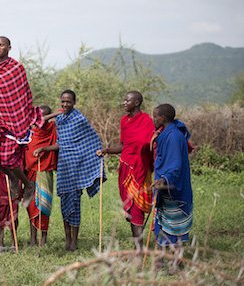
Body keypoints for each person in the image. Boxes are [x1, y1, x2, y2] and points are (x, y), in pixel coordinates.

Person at [34, 90, 106, 251]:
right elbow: (46, 129)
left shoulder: (79, 119)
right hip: (64, 166)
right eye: (63, 101)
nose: (65, 104)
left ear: (74, 102)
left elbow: (93, 140)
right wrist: (44, 148)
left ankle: (74, 240)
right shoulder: (59, 119)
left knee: (75, 202)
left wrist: (97, 154)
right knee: (64, 201)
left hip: (77, 166)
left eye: (68, 102)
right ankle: (67, 239)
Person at [0, 36, 44, 206]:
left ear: (9, 47)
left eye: (1, 45)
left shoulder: (16, 68)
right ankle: (15, 181)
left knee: (9, 158)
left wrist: (19, 113)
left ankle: (28, 184)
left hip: (15, 118)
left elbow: (21, 93)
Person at [96, 91, 155, 250]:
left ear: (136, 103)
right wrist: (107, 150)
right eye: (124, 99)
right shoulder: (124, 121)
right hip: (126, 169)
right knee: (131, 210)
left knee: (137, 210)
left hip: (140, 170)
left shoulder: (147, 121)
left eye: (127, 100)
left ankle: (139, 250)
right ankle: (137, 247)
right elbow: (124, 146)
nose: (124, 102)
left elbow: (150, 145)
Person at [152, 104, 193, 270]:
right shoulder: (167, 133)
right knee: (162, 223)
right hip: (165, 188)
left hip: (173, 189)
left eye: (155, 116)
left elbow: (175, 164)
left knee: (176, 227)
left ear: (162, 118)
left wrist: (164, 178)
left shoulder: (174, 136)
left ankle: (177, 261)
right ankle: (160, 261)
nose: (153, 119)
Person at [25, 105, 58, 246]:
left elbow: (59, 145)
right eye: (39, 116)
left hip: (45, 171)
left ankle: (43, 238)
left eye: (45, 116)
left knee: (44, 205)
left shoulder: (52, 130)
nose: (42, 120)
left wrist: (44, 149)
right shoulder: (31, 130)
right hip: (30, 171)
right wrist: (54, 113)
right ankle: (33, 238)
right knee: (32, 205)